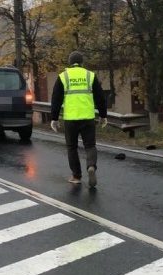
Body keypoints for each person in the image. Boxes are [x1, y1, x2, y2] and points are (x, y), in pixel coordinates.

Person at [50, 51, 108, 187]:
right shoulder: (90, 75)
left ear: (70, 63)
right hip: (87, 117)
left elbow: (56, 99)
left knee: (72, 147)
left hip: (70, 119)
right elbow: (100, 97)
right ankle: (91, 166)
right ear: (82, 63)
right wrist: (103, 115)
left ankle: (76, 176)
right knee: (90, 145)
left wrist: (54, 118)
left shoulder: (63, 77)